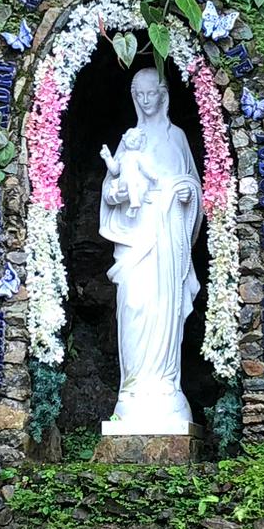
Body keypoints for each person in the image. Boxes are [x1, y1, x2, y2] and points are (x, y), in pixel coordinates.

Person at [98, 64, 202, 436]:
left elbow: (191, 183)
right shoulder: (130, 140)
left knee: (164, 311)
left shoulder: (176, 139)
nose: (145, 100)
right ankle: (133, 389)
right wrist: (120, 193)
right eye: (138, 94)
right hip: (135, 238)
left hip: (168, 233)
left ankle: (165, 387)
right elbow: (110, 191)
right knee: (134, 304)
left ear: (163, 94)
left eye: (151, 93)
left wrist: (188, 192)